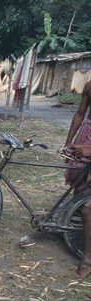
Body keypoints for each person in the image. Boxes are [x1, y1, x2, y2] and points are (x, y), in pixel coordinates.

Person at [64, 80, 91, 278]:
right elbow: (80, 114)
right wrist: (70, 141)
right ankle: (79, 232)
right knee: (78, 176)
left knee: (88, 209)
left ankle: (87, 259)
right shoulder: (89, 86)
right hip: (86, 135)